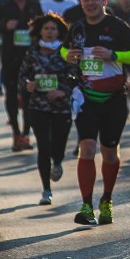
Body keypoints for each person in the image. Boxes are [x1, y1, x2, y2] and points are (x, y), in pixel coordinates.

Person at [62, 0, 130, 226]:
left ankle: (106, 200)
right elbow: (63, 51)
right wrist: (68, 55)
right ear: (81, 2)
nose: (90, 4)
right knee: (86, 149)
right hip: (86, 99)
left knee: (109, 153)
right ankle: (86, 205)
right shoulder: (77, 28)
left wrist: (114, 55)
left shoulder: (117, 26)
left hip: (113, 100)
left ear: (104, 1)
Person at [18, 13, 77, 205]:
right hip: (38, 106)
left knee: (58, 146)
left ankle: (58, 161)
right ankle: (46, 190)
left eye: (53, 29)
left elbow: (75, 77)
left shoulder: (65, 51)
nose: (50, 32)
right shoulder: (32, 52)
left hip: (61, 107)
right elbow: (23, 75)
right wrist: (27, 84)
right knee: (43, 147)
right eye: (46, 29)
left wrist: (62, 91)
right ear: (39, 31)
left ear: (59, 31)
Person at [0, 0, 44, 151]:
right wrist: (5, 26)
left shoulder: (34, 3)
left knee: (29, 96)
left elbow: (43, 26)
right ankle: (16, 133)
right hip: (10, 56)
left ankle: (26, 135)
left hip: (31, 57)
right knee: (11, 94)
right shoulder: (3, 4)